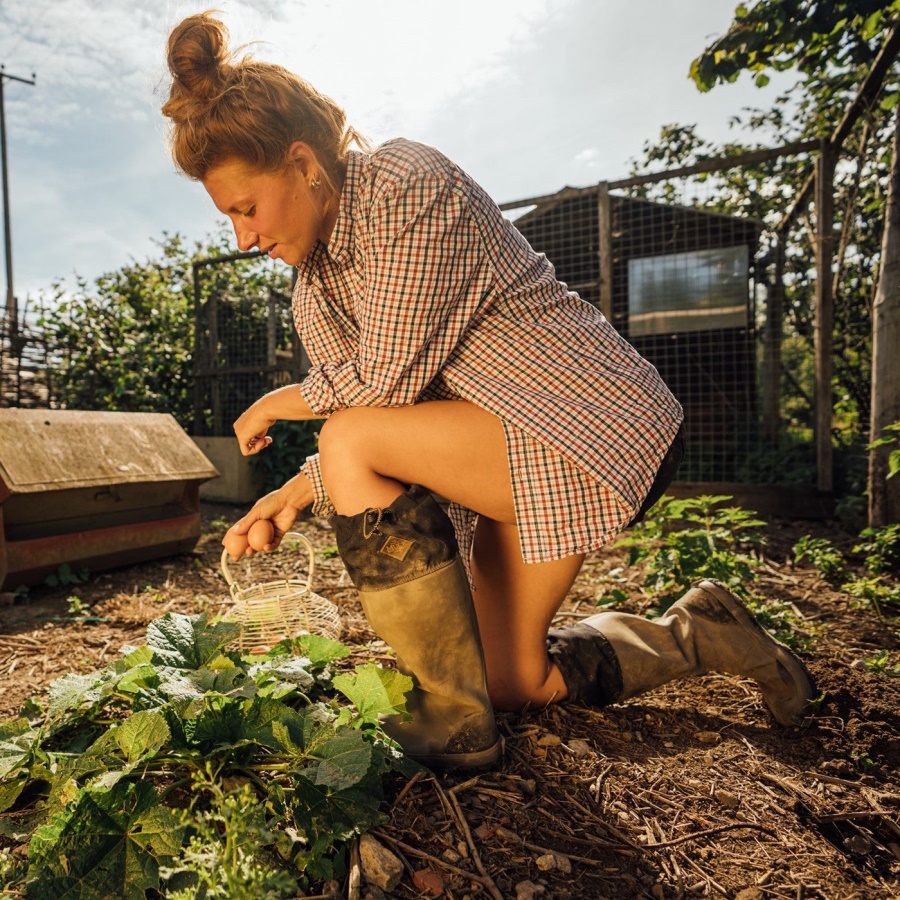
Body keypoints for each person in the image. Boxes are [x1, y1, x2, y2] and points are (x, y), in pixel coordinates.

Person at [161, 12, 816, 770]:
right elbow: (387, 421)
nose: (243, 238)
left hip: (588, 424)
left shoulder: (404, 185)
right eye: (230, 219)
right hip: (504, 452)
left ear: (302, 162)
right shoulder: (314, 290)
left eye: (246, 209)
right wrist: (298, 488)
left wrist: (280, 402)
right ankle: (701, 633)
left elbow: (380, 388)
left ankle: (451, 721)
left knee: (348, 438)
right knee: (511, 682)